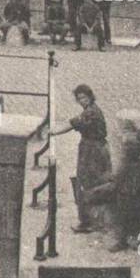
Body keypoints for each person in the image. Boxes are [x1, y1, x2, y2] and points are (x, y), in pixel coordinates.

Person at [49, 84, 113, 233]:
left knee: (86, 183)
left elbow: (72, 124)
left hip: (92, 151)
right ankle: (96, 219)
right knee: (96, 181)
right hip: (97, 149)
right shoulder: (93, 110)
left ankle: (87, 222)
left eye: (84, 98)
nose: (82, 101)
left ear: (90, 97)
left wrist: (54, 132)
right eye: (79, 99)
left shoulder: (90, 113)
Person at [108, 111, 140, 253]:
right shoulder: (125, 135)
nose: (121, 124)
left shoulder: (137, 135)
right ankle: (125, 239)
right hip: (126, 172)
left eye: (124, 122)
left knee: (138, 208)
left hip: (134, 173)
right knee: (124, 206)